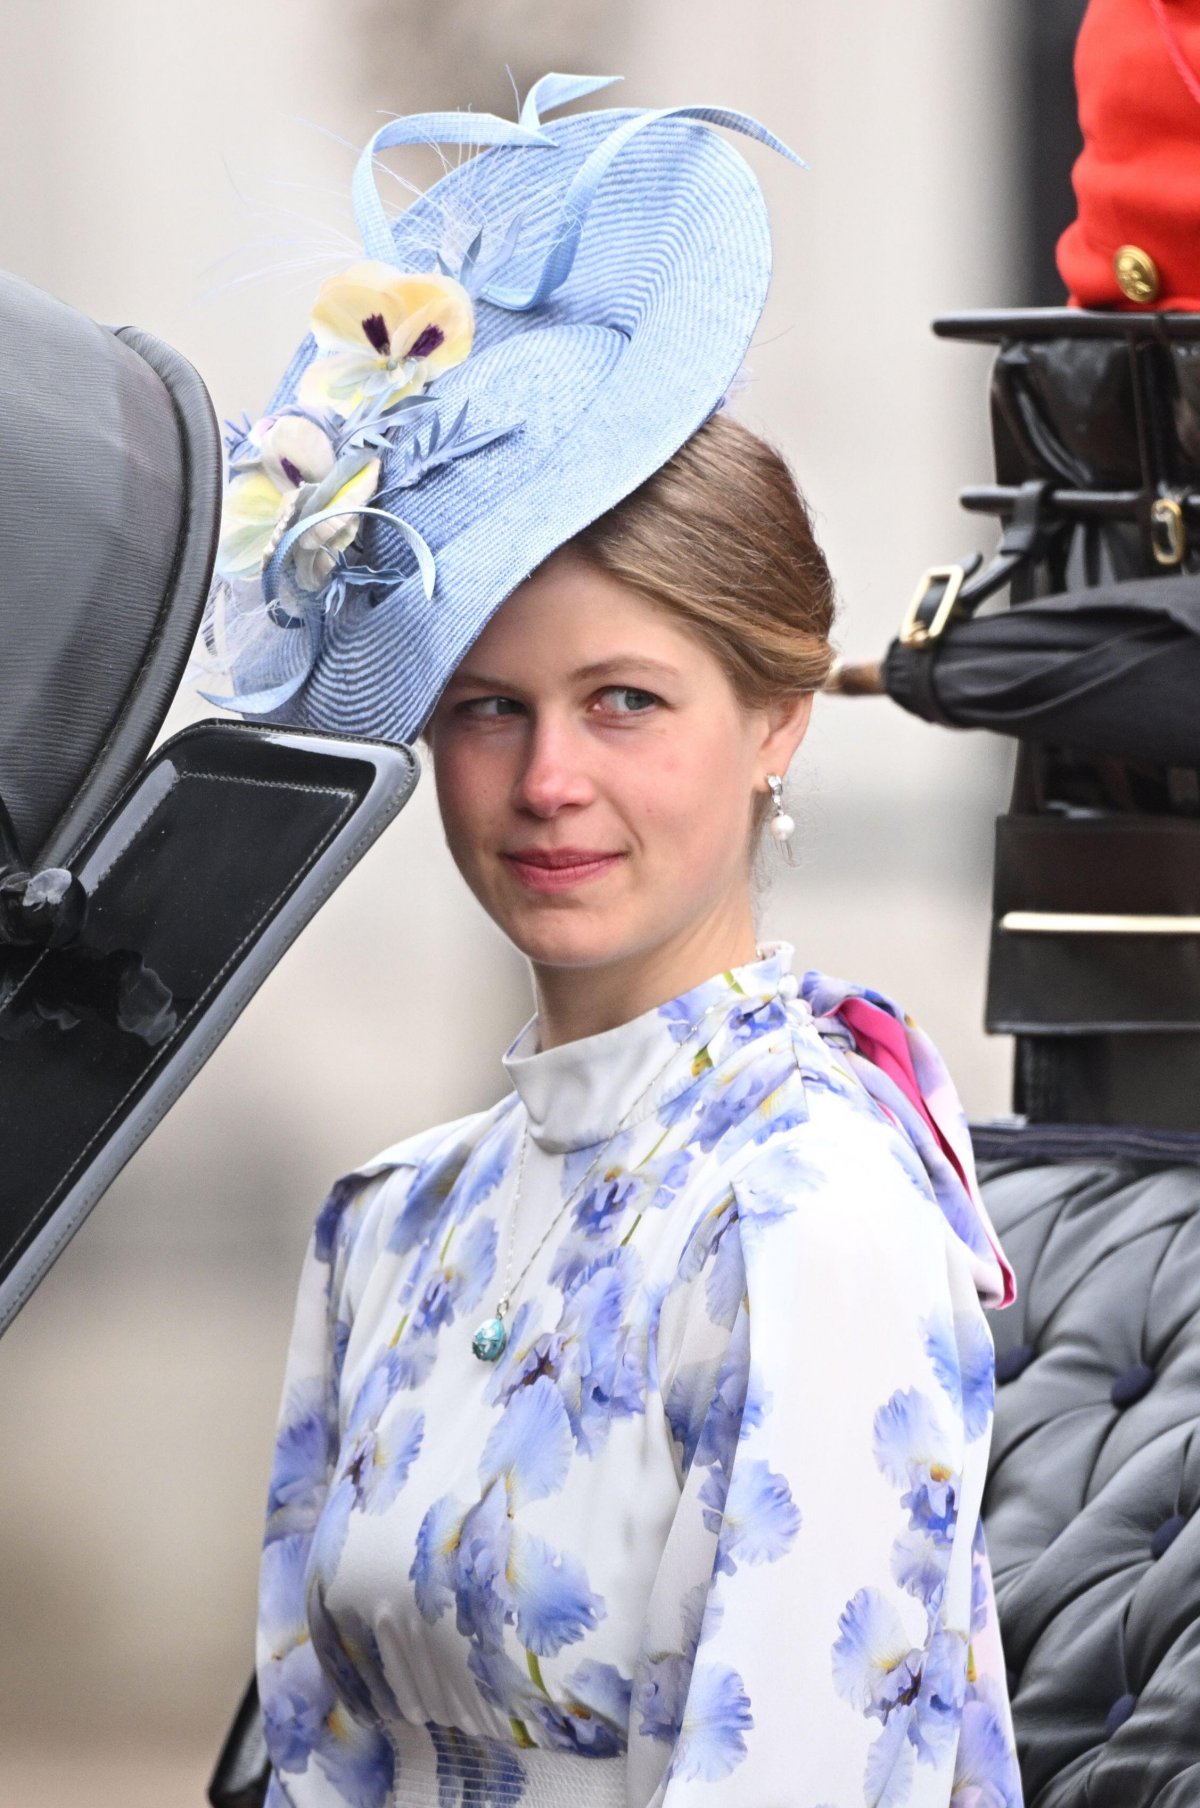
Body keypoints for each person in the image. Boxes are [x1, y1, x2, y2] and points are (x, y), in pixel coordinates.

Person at [202, 74, 1023, 1808]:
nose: (548, 781)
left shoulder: (809, 1215)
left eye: (625, 700)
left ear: (778, 717)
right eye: (487, 707)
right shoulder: (394, 1219)